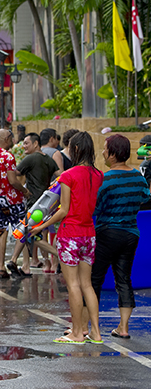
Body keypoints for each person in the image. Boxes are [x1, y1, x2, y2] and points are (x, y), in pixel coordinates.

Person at [30, 132, 103, 344]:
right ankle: (95, 333)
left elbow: (63, 210)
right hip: (89, 234)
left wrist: (40, 227)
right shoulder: (98, 175)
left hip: (70, 233)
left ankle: (77, 333)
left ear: (76, 149)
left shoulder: (69, 175)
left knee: (73, 285)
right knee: (87, 285)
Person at [91, 134, 150, 339]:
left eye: (106, 149)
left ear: (114, 153)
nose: (103, 153)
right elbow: (145, 197)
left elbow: (96, 208)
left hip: (107, 232)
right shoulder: (138, 177)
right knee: (124, 279)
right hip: (131, 233)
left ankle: (93, 328)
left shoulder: (104, 179)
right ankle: (123, 328)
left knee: (95, 280)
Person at [8, 132, 61, 276]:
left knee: (32, 234)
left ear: (36, 143)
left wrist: (21, 188)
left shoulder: (30, 159)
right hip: (46, 204)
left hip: (34, 204)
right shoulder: (49, 160)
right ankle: (15, 261)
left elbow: (14, 174)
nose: (24, 146)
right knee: (24, 231)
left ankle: (60, 256)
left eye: (26, 143)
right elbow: (61, 177)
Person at [0, 129, 29, 279]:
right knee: (22, 229)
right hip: (13, 199)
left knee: (1, 232)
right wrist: (25, 191)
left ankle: (1, 267)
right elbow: (13, 180)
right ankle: (14, 260)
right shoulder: (8, 156)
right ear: (7, 138)